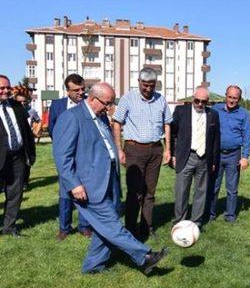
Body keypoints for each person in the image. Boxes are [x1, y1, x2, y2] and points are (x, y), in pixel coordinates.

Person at [53, 83, 168, 274]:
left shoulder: (99, 117)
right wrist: (74, 185)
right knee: (112, 225)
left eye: (111, 103)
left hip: (107, 182)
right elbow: (61, 156)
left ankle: (92, 267)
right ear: (92, 98)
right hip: (87, 186)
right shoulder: (71, 118)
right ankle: (145, 256)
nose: (109, 107)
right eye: (107, 103)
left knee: (104, 227)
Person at [113, 68, 172, 240]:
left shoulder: (161, 99)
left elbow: (167, 124)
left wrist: (168, 149)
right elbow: (117, 122)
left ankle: (147, 227)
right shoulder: (128, 98)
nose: (148, 89)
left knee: (150, 193)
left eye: (151, 86)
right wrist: (119, 149)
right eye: (145, 85)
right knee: (135, 192)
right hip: (134, 149)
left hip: (155, 150)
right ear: (138, 82)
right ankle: (131, 229)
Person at [48, 74, 92, 240]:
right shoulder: (58, 105)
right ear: (67, 91)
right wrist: (63, 147)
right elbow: (52, 129)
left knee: (84, 190)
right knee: (65, 191)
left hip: (84, 156)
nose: (81, 93)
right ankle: (64, 228)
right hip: (65, 156)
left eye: (83, 89)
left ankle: (84, 226)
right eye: (76, 90)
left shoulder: (89, 104)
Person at [171, 87, 220, 228]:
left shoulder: (213, 115)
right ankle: (179, 223)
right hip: (186, 156)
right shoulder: (181, 111)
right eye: (197, 100)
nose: (200, 104)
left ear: (207, 102)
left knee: (201, 192)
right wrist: (173, 154)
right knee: (181, 192)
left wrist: (214, 161)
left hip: (204, 158)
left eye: (203, 102)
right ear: (193, 98)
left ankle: (196, 223)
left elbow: (216, 139)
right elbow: (173, 134)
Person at [0, 75, 36, 237]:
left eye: (8, 87)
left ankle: (9, 228)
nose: (6, 90)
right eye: (2, 88)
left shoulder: (17, 106)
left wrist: (30, 154)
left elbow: (27, 132)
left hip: (17, 158)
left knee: (15, 193)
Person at [211, 86, 250, 223]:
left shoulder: (244, 114)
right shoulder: (215, 109)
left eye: (235, 98)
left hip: (234, 155)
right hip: (216, 154)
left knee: (232, 188)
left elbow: (246, 137)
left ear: (239, 99)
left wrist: (245, 156)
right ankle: (210, 214)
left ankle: (230, 215)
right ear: (225, 96)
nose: (232, 100)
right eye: (230, 97)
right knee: (213, 186)